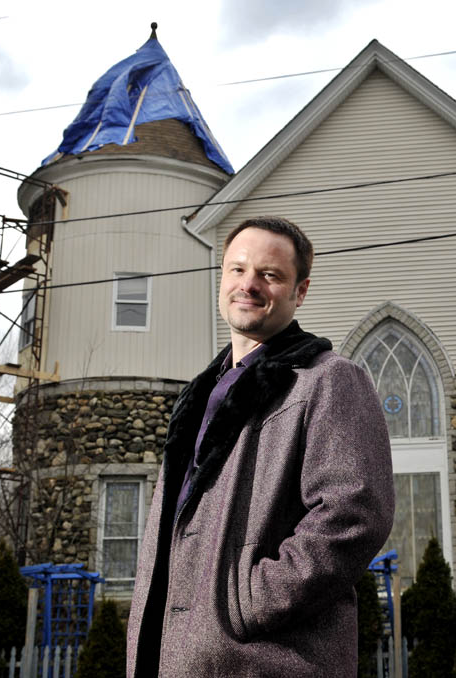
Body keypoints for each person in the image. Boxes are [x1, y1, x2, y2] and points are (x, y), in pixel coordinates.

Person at [127, 216, 394, 678]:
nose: (248, 284)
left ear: (300, 291)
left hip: (261, 661)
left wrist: (247, 603)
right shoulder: (198, 396)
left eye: (269, 275)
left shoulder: (329, 380)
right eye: (238, 269)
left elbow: (354, 515)